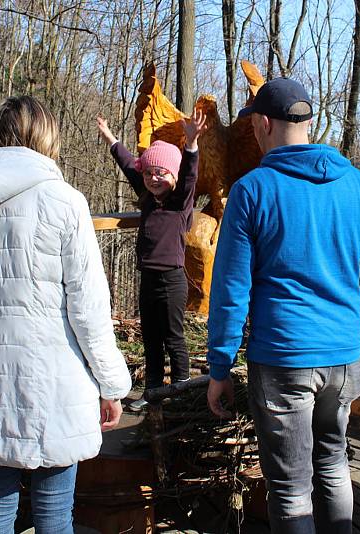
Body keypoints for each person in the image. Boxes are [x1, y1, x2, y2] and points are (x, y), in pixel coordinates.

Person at [205, 78, 360, 534]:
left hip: (284, 360)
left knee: (291, 485)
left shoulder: (251, 191)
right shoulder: (356, 184)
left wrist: (220, 366)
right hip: (343, 358)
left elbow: (231, 290)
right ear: (309, 123)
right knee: (333, 464)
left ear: (262, 124)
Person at [0, 95, 131, 534]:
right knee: (54, 517)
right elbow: (89, 311)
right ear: (47, 138)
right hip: (57, 388)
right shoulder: (64, 201)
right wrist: (112, 384)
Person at [96, 110, 207, 411]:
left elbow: (190, 175)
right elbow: (129, 163)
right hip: (148, 279)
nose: (153, 178)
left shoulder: (179, 202)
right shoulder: (147, 196)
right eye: (149, 173)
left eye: (161, 173)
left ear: (173, 175)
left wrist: (192, 142)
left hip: (172, 280)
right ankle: (154, 391)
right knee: (151, 338)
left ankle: (181, 390)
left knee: (174, 338)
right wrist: (111, 139)